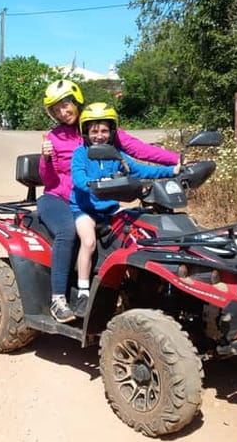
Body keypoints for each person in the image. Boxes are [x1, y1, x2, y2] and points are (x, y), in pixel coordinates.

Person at [38, 80, 179, 323]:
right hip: (60, 198)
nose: (63, 112)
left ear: (76, 101)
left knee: (133, 230)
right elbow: (47, 178)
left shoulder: (98, 125)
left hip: (99, 200)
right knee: (67, 232)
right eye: (56, 109)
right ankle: (58, 299)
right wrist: (46, 158)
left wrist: (177, 161)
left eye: (66, 104)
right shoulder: (54, 137)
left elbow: (139, 152)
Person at [70, 103, 180, 318]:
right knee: (89, 242)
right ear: (86, 132)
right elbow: (78, 178)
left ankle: (137, 287)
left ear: (111, 132)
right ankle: (83, 291)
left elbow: (140, 169)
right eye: (94, 131)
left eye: (104, 131)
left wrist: (172, 170)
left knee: (138, 236)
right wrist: (96, 184)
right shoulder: (80, 154)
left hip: (110, 208)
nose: (99, 136)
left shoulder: (115, 154)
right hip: (85, 209)